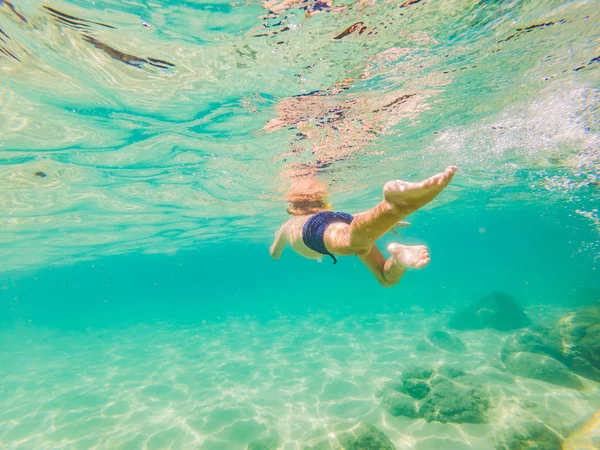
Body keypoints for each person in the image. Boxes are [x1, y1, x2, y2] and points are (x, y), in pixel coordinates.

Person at [270, 166, 457, 286]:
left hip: (313, 232)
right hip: (339, 220)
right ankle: (399, 259)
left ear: (291, 208)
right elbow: (352, 219)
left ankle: (393, 206)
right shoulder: (324, 215)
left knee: (352, 242)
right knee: (385, 278)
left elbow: (274, 254)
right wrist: (384, 223)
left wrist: (279, 241)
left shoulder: (289, 224)